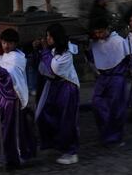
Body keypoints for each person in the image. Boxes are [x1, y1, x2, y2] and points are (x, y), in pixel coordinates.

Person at [0, 28, 36, 168]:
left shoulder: (18, 58)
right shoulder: (1, 55)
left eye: (9, 43)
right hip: (1, 99)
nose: (6, 46)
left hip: (12, 99)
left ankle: (17, 156)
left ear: (15, 44)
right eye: (4, 42)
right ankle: (8, 155)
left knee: (12, 131)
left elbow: (11, 76)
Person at [35, 23, 80, 165]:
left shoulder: (66, 53)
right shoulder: (53, 49)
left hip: (67, 88)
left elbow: (53, 67)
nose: (47, 39)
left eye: (49, 36)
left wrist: (44, 50)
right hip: (55, 87)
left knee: (67, 119)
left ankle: (71, 152)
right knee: (46, 114)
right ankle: (55, 143)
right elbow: (42, 66)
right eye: (46, 36)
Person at [88, 18, 132, 147]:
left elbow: (129, 56)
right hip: (102, 78)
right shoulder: (95, 43)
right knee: (97, 102)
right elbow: (93, 58)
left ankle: (115, 136)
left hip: (117, 78)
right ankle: (105, 131)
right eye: (96, 33)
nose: (99, 35)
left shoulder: (118, 41)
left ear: (108, 29)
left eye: (101, 32)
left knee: (116, 108)